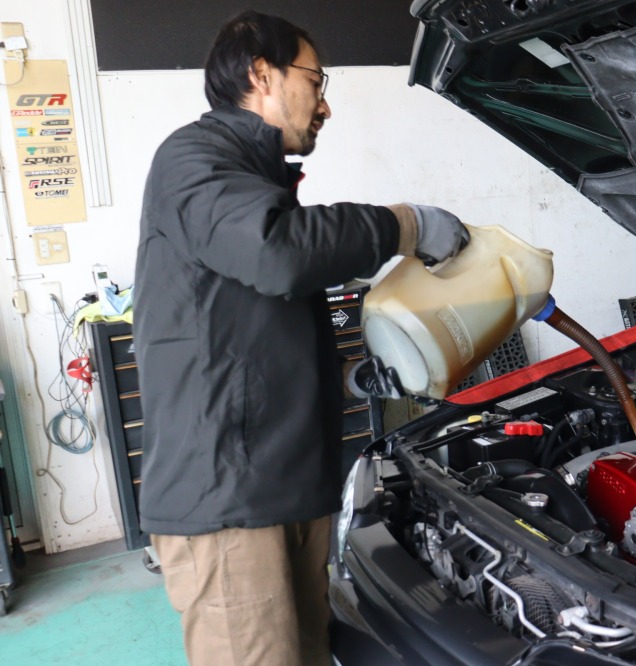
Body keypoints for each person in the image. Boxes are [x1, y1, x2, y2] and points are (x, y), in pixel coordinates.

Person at [132, 11, 466, 665]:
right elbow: (279, 253)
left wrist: (353, 379)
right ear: (262, 74)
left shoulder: (248, 181)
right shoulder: (191, 160)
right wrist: (404, 225)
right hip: (229, 502)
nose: (325, 105)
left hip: (283, 490)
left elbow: (253, 326)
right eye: (316, 81)